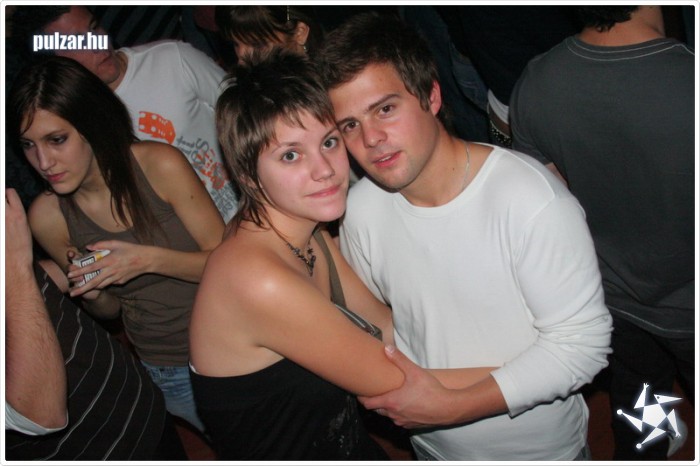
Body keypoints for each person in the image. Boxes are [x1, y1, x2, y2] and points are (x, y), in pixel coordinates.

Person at [315, 12, 613, 461]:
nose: (371, 138)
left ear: (431, 95)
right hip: (432, 447)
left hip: (537, 452)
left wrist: (451, 406)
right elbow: (387, 319)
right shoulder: (362, 209)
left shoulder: (529, 201)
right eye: (350, 125)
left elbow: (582, 346)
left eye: (385, 109)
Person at [188, 48, 493, 460]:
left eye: (329, 142)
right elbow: (400, 381)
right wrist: (540, 369)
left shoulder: (307, 233)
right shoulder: (257, 279)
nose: (326, 169)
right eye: (291, 155)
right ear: (247, 174)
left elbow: (386, 329)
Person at [509, 6, 694, 460]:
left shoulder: (538, 80)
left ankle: (651, 446)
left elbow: (546, 203)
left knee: (640, 389)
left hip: (609, 298)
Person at [7, 56, 225, 435]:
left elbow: (229, 264)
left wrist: (146, 260)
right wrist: (93, 294)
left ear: (92, 123)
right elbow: (111, 311)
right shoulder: (47, 216)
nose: (43, 161)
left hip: (233, 334)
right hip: (168, 363)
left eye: (57, 140)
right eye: (28, 145)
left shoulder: (158, 165)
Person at [5, 188, 187, 460]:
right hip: (103, 452)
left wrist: (113, 259)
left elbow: (50, 278)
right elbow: (43, 416)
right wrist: (16, 266)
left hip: (143, 409)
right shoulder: (11, 266)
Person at [10, 5, 238, 223]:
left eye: (94, 28)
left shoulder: (171, 59)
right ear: (54, 65)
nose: (97, 44)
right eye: (76, 43)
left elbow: (247, 114)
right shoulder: (66, 128)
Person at [214, 5, 324, 63]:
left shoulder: (330, 88)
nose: (241, 62)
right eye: (235, 44)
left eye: (258, 45)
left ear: (299, 33)